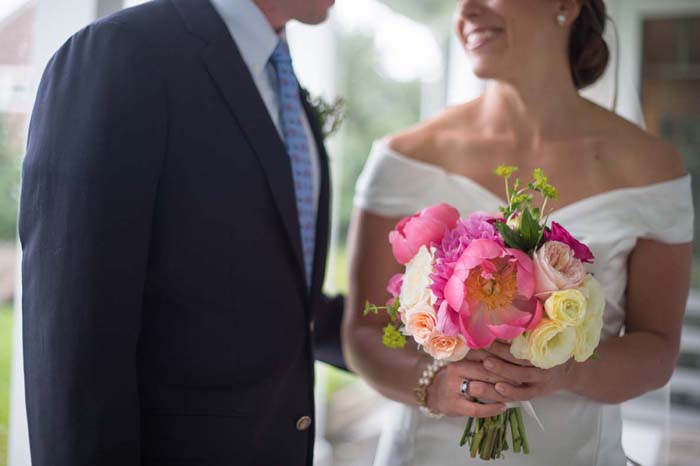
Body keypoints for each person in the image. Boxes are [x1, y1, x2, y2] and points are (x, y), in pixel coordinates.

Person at [343, 0, 693, 465]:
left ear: (566, 6)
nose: (466, 10)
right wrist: (434, 384)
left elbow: (657, 348)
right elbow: (363, 334)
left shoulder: (652, 168)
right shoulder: (402, 158)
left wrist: (569, 371)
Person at [19, 0, 343, 465]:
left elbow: (276, 297)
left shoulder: (282, 81)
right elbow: (72, 337)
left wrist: (433, 332)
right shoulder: (121, 53)